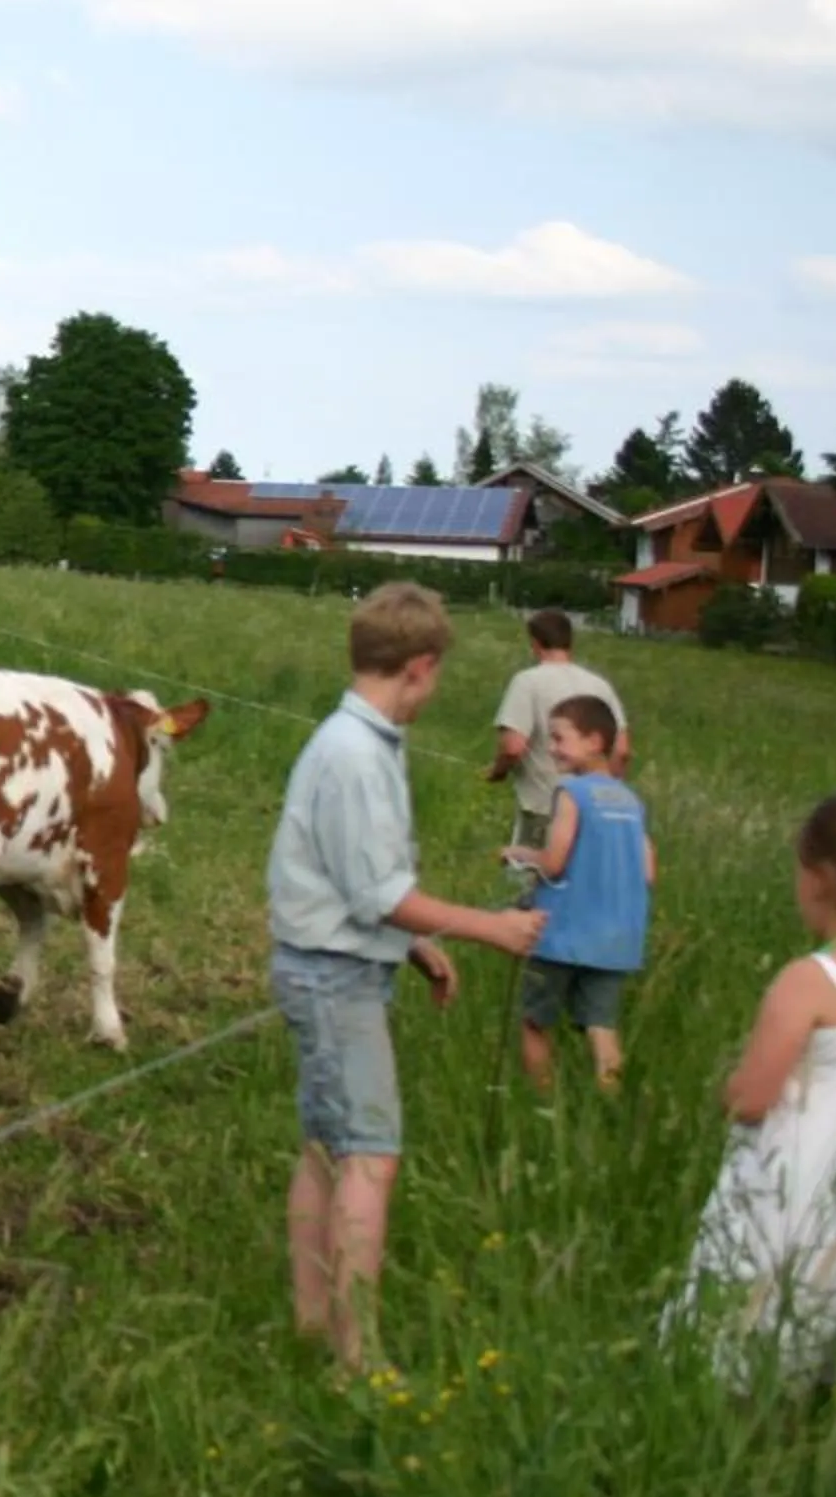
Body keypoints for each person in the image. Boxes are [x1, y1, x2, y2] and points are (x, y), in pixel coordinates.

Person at [270, 582, 544, 1373]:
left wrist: (415, 944)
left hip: (336, 963)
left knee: (327, 1148)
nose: (436, 687)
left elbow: (357, 880)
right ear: (420, 667)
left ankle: (313, 1328)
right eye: (438, 674)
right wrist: (492, 926)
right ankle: (359, 1361)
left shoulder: (359, 743)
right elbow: (379, 893)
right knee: (369, 1155)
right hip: (334, 976)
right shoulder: (355, 755)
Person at [667, 792, 836, 1388]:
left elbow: (753, 1098)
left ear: (820, 879)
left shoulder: (808, 981)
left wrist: (728, 1088)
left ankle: (733, 1391)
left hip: (792, 1177)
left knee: (757, 1289)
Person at [499, 694, 656, 1093]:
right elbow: (648, 872)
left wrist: (521, 854)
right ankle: (609, 1098)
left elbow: (553, 863)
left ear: (594, 741)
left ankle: (543, 1102)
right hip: (617, 939)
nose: (551, 748)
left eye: (559, 738)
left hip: (562, 934)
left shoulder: (572, 793)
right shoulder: (632, 801)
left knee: (535, 1022)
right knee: (602, 1026)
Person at [486, 610, 628, 862]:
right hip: (595, 809)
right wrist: (609, 792)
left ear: (535, 643)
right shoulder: (599, 685)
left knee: (530, 874)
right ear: (569, 642)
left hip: (544, 806)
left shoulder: (527, 682)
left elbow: (513, 747)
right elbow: (621, 750)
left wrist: (497, 771)